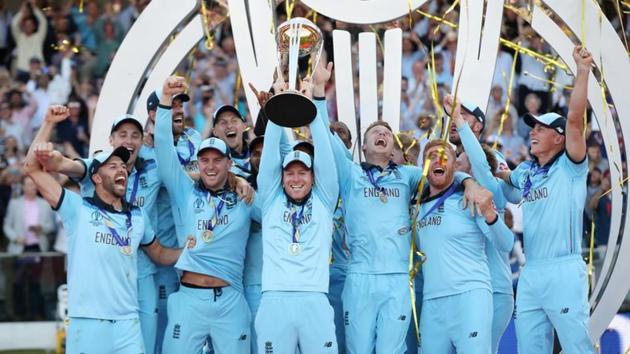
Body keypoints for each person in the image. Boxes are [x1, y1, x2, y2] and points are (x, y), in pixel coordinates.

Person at [25, 132, 188, 353]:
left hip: (127, 322)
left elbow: (159, 253)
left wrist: (191, 249)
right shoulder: (77, 209)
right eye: (112, 166)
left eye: (123, 166)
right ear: (97, 178)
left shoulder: (138, 217)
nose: (121, 169)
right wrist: (49, 122)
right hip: (87, 320)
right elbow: (32, 168)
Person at [500, 45, 595, 354]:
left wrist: (582, 72)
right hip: (531, 271)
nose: (533, 132)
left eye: (541, 127)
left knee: (577, 349)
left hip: (564, 269)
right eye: (532, 127)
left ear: (559, 137)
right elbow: (501, 174)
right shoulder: (526, 171)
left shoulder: (571, 166)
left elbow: (576, 120)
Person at [155, 76, 260, 354]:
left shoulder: (246, 196)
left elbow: (282, 210)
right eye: (204, 160)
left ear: (229, 163)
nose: (210, 166)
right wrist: (166, 101)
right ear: (197, 163)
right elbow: (164, 148)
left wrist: (239, 180)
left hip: (231, 300)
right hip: (189, 299)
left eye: (217, 160)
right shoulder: (184, 191)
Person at [254, 62, 339, 354]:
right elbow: (268, 157)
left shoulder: (324, 198)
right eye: (290, 172)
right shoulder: (270, 199)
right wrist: (277, 104)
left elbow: (325, 150)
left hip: (315, 298)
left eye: (303, 172)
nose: (296, 178)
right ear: (281, 176)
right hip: (275, 299)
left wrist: (316, 96)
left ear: (313, 176)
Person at [416, 140, 513, 354]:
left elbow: (506, 243)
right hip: (433, 304)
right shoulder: (416, 206)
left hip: (470, 297)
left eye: (445, 156)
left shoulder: (470, 198)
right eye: (431, 156)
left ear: (453, 166)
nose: (438, 159)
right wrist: (465, 179)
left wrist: (489, 214)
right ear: (423, 166)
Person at [446, 94, 519, 353]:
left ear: (477, 125)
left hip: (494, 288)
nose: (455, 119)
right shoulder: (448, 166)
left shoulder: (490, 178)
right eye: (454, 116)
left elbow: (515, 192)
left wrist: (467, 177)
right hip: (461, 291)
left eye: (463, 116)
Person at [3, 176, 55, 254]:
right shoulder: (14, 204)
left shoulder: (45, 204)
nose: (33, 187)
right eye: (30, 184)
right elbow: (7, 226)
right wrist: (16, 238)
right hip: (19, 248)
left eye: (35, 184)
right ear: (23, 187)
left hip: (40, 247)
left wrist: (41, 228)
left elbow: (51, 226)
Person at [212, 104, 252, 178]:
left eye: (234, 121)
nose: (229, 126)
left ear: (244, 126)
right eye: (223, 123)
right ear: (215, 131)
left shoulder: (257, 150)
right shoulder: (213, 163)